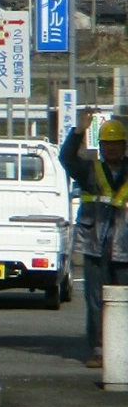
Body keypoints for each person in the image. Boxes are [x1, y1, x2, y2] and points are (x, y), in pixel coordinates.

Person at [60, 115, 128, 368]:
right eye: (107, 143)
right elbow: (66, 158)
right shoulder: (89, 170)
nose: (111, 148)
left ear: (124, 146)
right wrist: (78, 131)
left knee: (124, 299)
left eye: (117, 143)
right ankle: (99, 349)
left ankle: (123, 347)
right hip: (94, 243)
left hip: (125, 244)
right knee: (96, 299)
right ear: (100, 147)